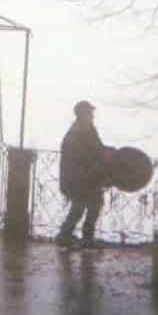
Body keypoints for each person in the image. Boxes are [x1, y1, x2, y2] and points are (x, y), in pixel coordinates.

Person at [55, 100, 110, 248]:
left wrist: (108, 151)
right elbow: (79, 156)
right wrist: (97, 160)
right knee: (78, 208)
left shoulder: (90, 130)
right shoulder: (74, 134)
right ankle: (64, 236)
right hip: (77, 178)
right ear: (82, 115)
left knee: (95, 205)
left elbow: (98, 148)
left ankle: (87, 238)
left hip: (91, 177)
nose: (92, 116)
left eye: (92, 113)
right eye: (90, 113)